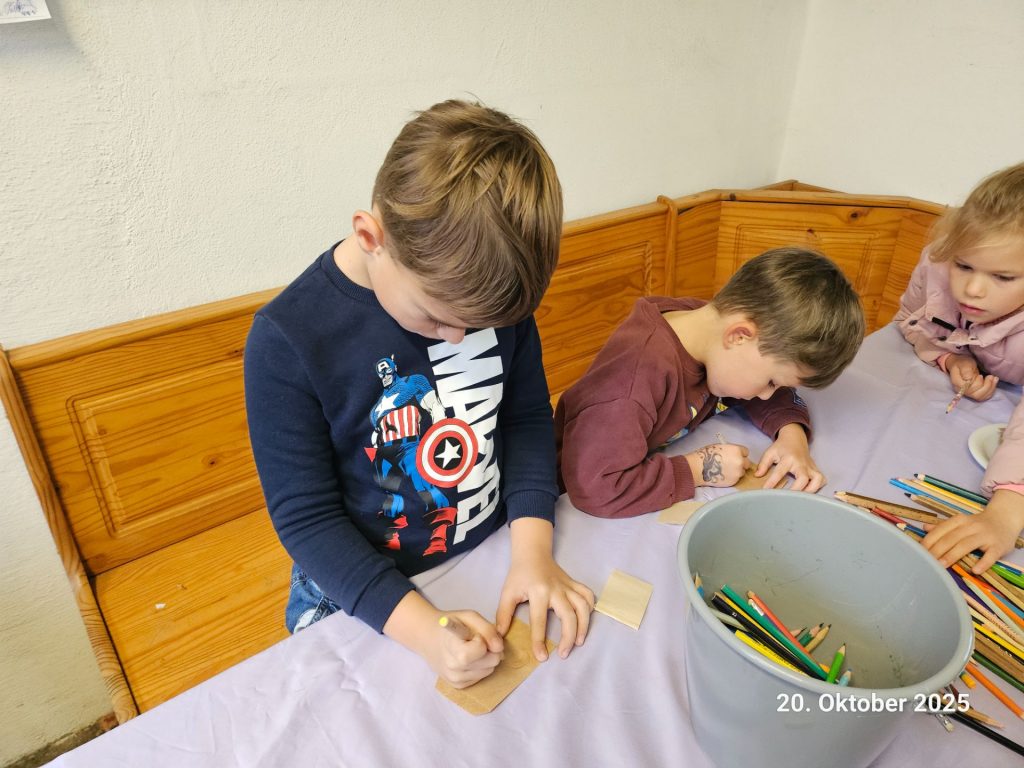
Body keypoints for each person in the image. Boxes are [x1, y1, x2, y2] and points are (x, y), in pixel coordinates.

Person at [244, 99, 594, 689]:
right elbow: (307, 521)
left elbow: (527, 417)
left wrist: (533, 552)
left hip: (489, 547)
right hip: (364, 589)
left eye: (478, 325)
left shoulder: (485, 291)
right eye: (437, 318)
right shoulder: (289, 339)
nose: (459, 337)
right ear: (370, 236)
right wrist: (427, 633)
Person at [555, 247, 865, 518]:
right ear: (739, 336)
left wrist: (791, 435)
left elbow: (772, 389)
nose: (767, 395)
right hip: (567, 496)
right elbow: (597, 488)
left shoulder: (712, 330)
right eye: (771, 382)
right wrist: (697, 469)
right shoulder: (631, 384)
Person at [895, 160, 1024, 574]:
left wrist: (1006, 512)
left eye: (1003, 277)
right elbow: (909, 320)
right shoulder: (937, 262)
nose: (972, 289)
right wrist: (951, 357)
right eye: (964, 266)